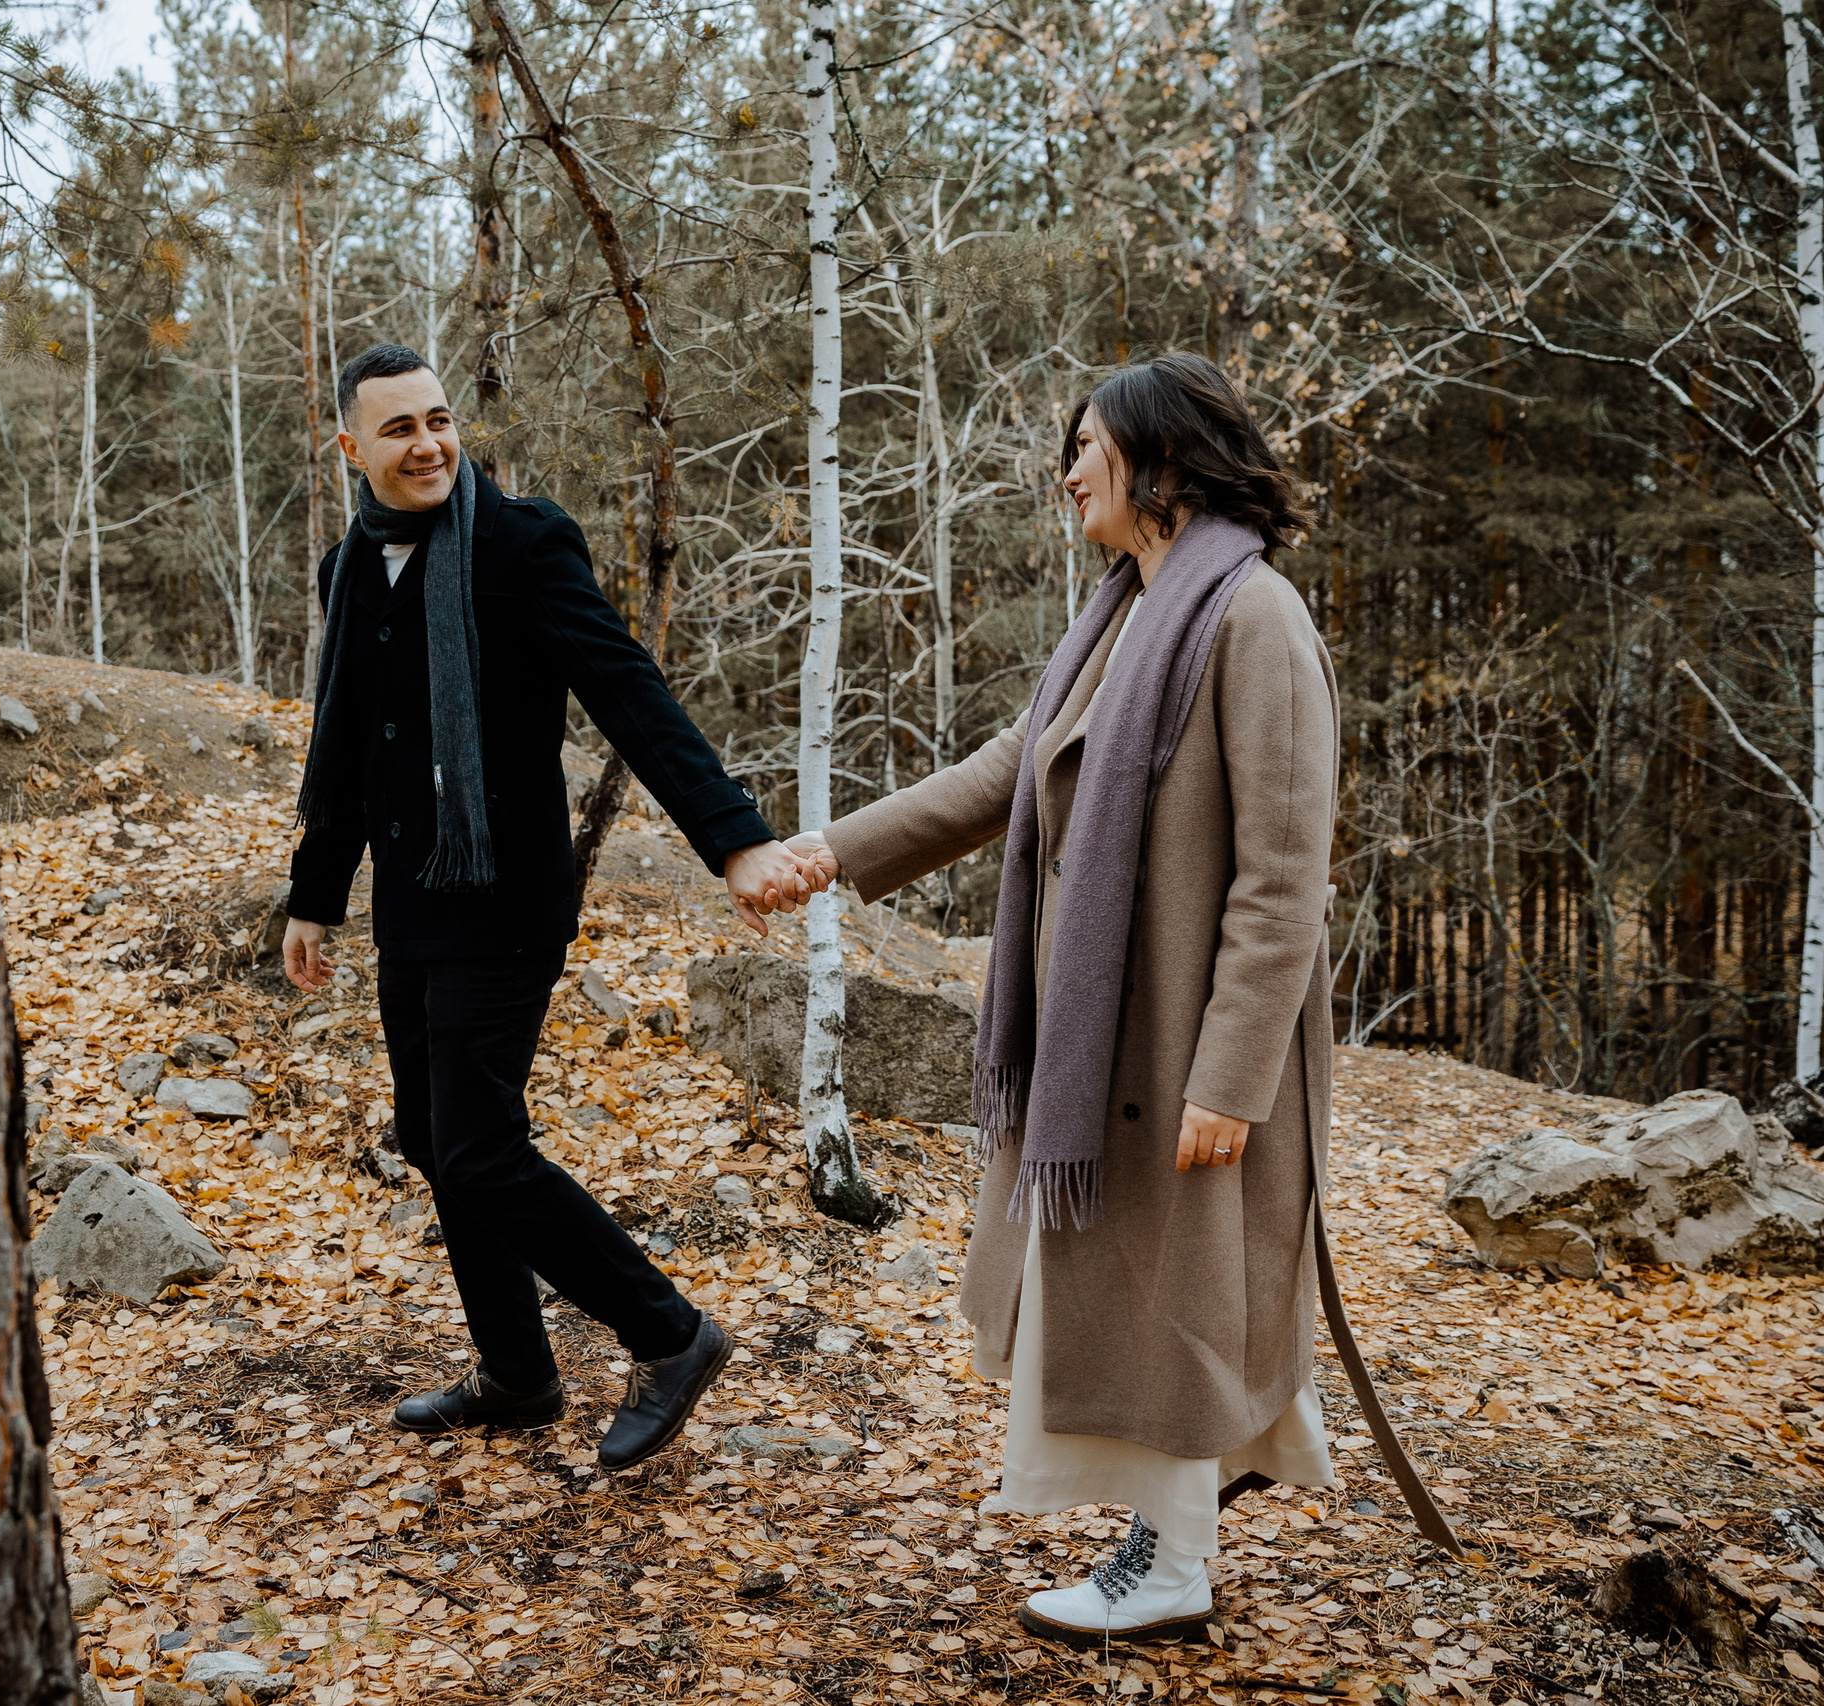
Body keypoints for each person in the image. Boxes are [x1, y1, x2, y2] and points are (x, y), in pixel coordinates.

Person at [790, 353, 1453, 1645]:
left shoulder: (1251, 616)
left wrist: (1232, 1075)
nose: (1069, 470)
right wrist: (833, 852)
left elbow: (1282, 878)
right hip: (1116, 1034)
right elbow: (1012, 766)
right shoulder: (1127, 612)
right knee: (1155, 1295)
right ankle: (1192, 1511)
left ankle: (1171, 1564)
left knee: (1185, 1300)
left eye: (1088, 444)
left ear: (1161, 460)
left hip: (1191, 1041)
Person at [282, 343, 827, 1470]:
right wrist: (313, 892)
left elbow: (629, 688)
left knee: (478, 1146)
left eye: (439, 420)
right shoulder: (350, 564)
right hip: (409, 900)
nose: (429, 443)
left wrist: (731, 837)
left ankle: (668, 1335)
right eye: (398, 429)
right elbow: (345, 739)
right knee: (436, 1136)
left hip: (506, 895)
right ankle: (518, 1372)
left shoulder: (523, 544)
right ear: (351, 448)